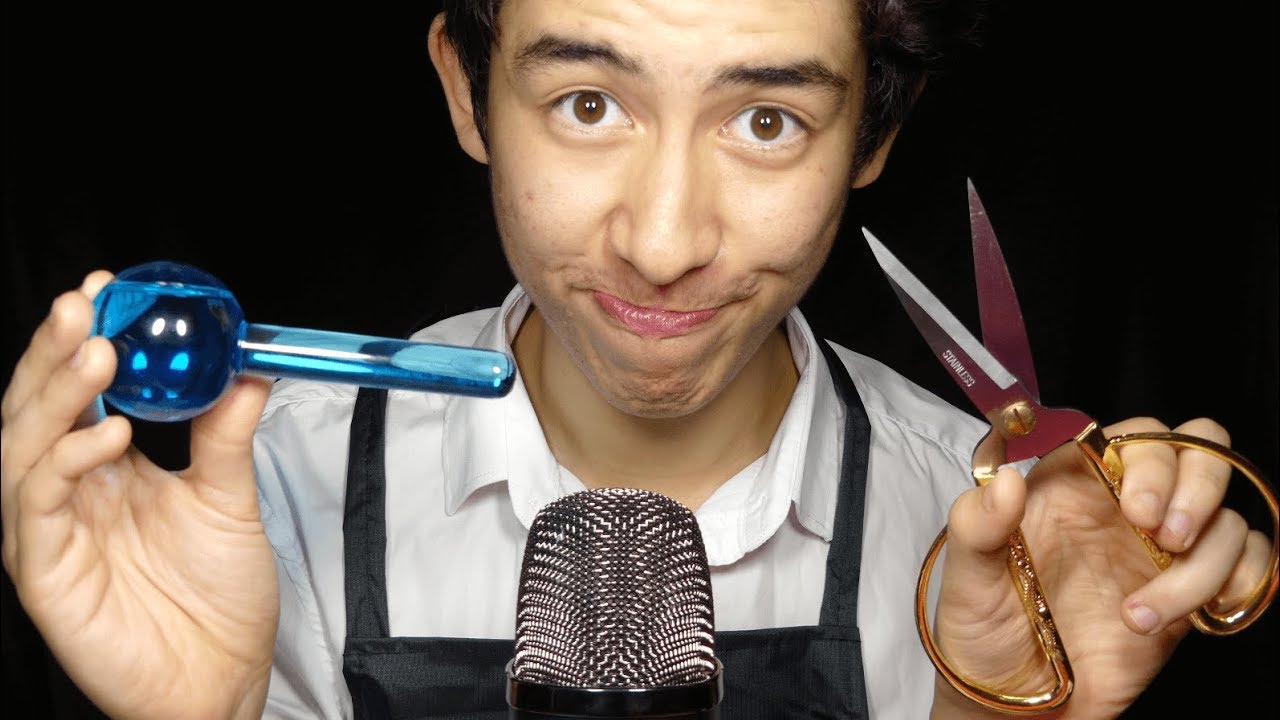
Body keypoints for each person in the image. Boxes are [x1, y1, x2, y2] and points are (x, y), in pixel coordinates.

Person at [1, 0, 1274, 718]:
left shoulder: (995, 537)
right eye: (588, 105)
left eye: (766, 120)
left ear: (872, 138)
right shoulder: (268, 494)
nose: (663, 245)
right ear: (465, 90)